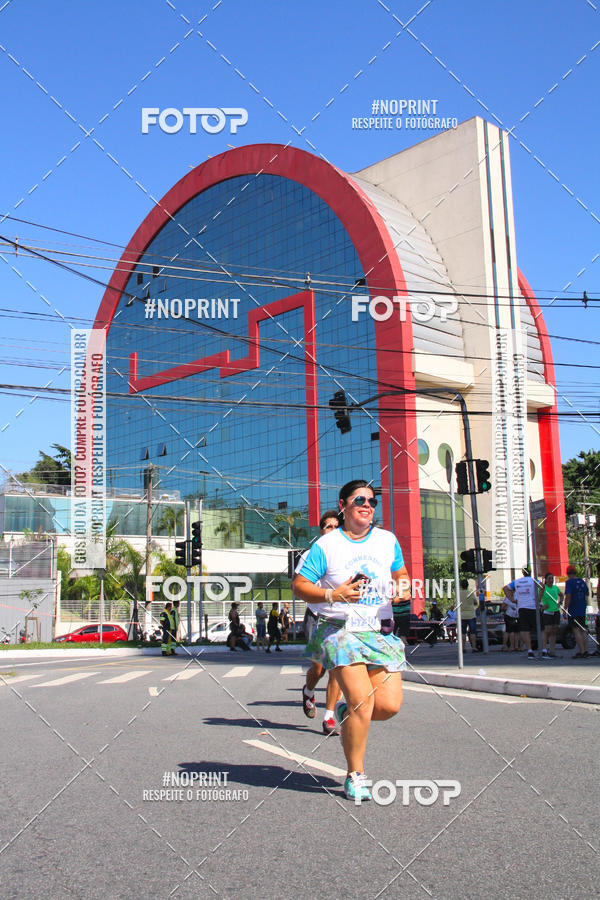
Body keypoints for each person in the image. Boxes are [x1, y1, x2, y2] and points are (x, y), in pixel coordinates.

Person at [292, 479, 411, 802]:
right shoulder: (327, 546)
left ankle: (344, 712)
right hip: (339, 630)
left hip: (379, 630)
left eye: (373, 501)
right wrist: (334, 593)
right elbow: (299, 585)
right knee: (363, 701)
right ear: (343, 505)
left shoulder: (387, 540)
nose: (368, 505)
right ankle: (355, 774)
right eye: (360, 499)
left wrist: (402, 589)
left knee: (388, 706)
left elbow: (400, 575)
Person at [299, 510, 343, 735]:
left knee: (336, 667)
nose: (332, 531)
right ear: (321, 530)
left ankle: (329, 717)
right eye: (328, 527)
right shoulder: (310, 555)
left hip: (338, 619)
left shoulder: (347, 555)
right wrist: (326, 595)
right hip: (316, 616)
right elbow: (301, 588)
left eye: (337, 527)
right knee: (318, 669)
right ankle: (308, 691)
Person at [504, 566, 538, 660]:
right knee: (539, 629)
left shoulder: (517, 582)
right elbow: (542, 586)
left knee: (523, 630)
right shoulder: (533, 580)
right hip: (532, 607)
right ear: (530, 572)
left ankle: (529, 650)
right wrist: (538, 598)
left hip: (521, 608)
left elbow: (505, 588)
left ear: (522, 572)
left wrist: (512, 600)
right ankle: (542, 650)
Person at [564, 564, 590, 658]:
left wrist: (564, 609)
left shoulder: (569, 582)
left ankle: (582, 651)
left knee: (576, 630)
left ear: (568, 574)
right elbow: (587, 592)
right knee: (583, 630)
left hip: (573, 610)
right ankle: (586, 650)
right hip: (582, 609)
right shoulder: (581, 581)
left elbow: (568, 596)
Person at [539, 572, 563, 658]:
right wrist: (542, 606)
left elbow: (561, 595)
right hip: (547, 612)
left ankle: (552, 651)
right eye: (549, 578)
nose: (551, 580)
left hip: (556, 611)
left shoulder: (555, 588)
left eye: (552, 578)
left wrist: (560, 602)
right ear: (545, 579)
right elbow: (538, 599)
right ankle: (544, 649)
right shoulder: (543, 588)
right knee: (547, 631)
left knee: (554, 631)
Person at [459, 579, 478, 652]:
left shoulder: (459, 594)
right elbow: (476, 602)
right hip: (471, 615)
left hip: (462, 615)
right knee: (472, 632)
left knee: (463, 632)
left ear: (461, 585)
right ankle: (474, 647)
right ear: (467, 585)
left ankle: (463, 648)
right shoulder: (471, 593)